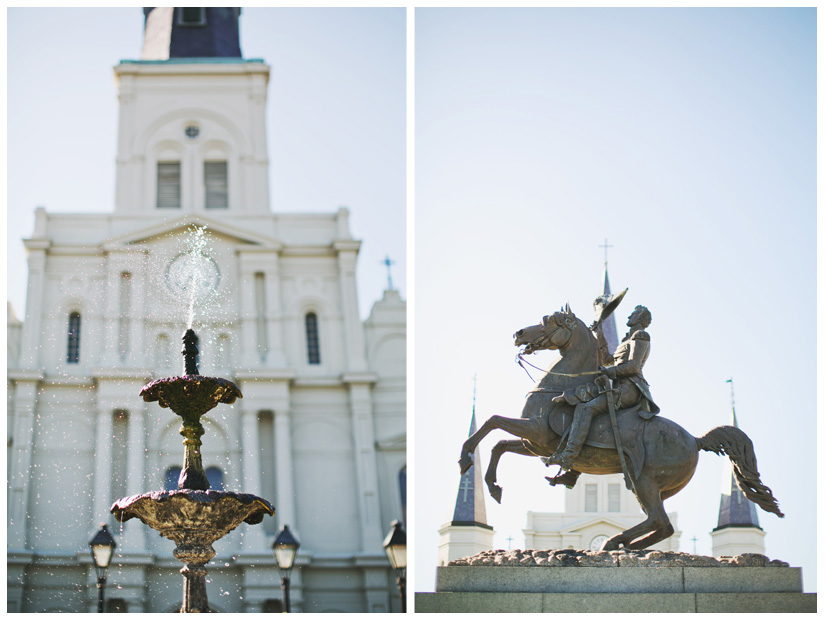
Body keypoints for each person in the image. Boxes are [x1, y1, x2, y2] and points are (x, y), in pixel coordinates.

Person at [551, 305, 658, 471]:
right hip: (617, 386)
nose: (630, 314)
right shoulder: (626, 340)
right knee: (580, 404)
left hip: (630, 388)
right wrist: (599, 333)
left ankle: (568, 457)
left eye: (635, 313)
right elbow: (608, 359)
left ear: (641, 319)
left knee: (587, 409)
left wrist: (609, 371)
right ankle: (576, 468)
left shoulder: (641, 335)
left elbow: (634, 367)